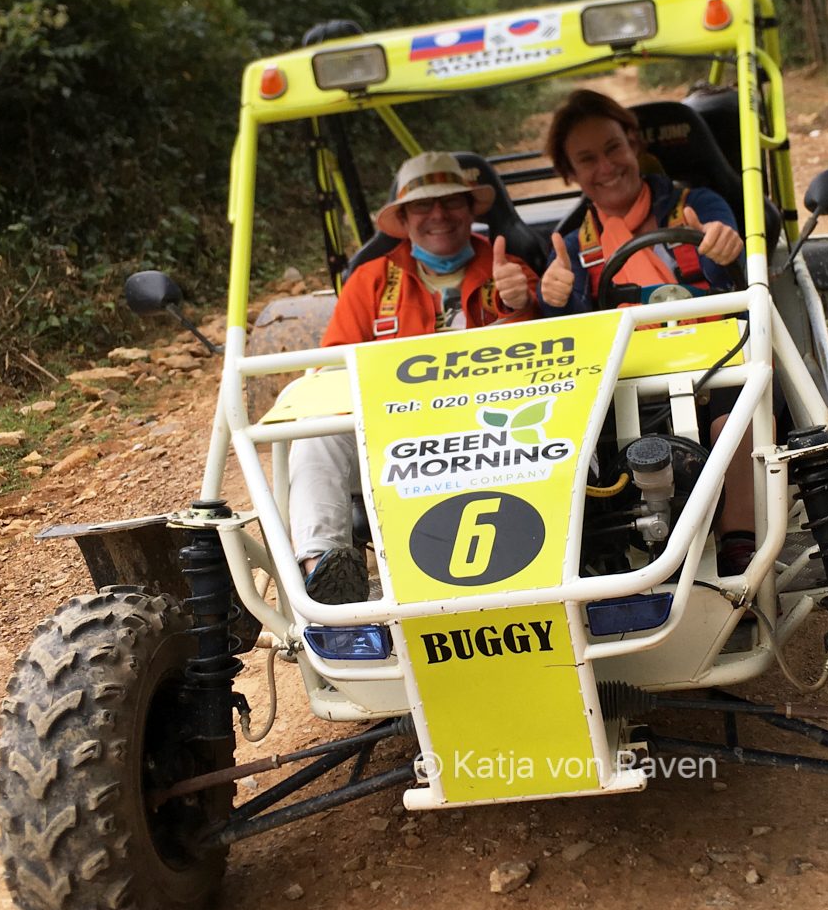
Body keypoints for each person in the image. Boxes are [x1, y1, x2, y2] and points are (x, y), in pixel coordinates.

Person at [289, 151, 540, 603]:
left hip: (496, 434)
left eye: (451, 202)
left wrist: (520, 304)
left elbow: (551, 366)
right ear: (403, 219)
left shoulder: (508, 272)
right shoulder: (368, 282)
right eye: (423, 206)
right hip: (394, 436)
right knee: (314, 433)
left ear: (470, 210)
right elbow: (329, 371)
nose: (438, 215)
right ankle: (323, 572)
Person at [538, 89, 755, 575]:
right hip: (626, 382)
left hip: (713, 361)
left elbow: (733, 267)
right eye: (587, 159)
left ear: (634, 143)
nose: (607, 166)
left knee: (731, 418)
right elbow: (568, 338)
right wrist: (554, 297)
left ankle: (739, 545)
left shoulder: (696, 205)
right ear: (572, 174)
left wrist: (723, 249)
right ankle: (597, 558)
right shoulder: (571, 249)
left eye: (613, 147)